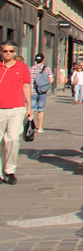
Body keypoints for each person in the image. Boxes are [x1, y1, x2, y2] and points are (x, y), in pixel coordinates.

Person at [0, 41, 33, 185]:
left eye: (10, 51)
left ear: (15, 52)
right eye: (5, 51)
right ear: (1, 52)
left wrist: (29, 107)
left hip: (17, 108)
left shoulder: (22, 67)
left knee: (13, 139)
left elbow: (26, 86)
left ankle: (10, 170)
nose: (7, 54)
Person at [28, 54, 54, 133]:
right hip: (42, 91)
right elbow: (51, 80)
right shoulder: (47, 69)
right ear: (43, 59)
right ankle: (40, 128)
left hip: (32, 91)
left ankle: (29, 126)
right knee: (41, 110)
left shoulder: (30, 69)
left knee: (31, 109)